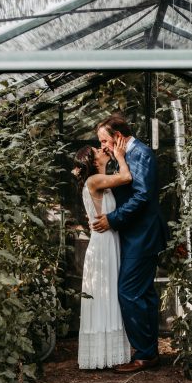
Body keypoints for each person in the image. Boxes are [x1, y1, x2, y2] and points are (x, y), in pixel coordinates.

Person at [91, 113, 168, 374]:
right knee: (143, 293)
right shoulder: (124, 155)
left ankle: (144, 354)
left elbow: (142, 196)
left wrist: (112, 219)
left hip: (143, 235)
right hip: (136, 234)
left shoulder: (141, 154)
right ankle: (149, 352)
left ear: (118, 137)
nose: (102, 146)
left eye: (104, 141)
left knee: (128, 290)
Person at [72, 137, 132, 369]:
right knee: (105, 294)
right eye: (98, 150)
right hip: (103, 243)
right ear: (93, 161)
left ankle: (107, 352)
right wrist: (120, 156)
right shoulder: (95, 179)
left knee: (109, 294)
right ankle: (102, 353)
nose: (102, 149)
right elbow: (126, 177)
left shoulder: (99, 180)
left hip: (108, 240)